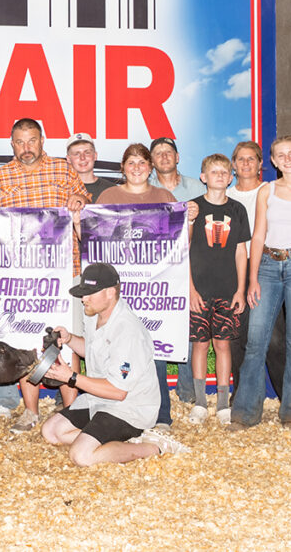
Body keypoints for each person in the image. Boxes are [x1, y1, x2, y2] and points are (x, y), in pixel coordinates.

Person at [0, 118, 89, 432]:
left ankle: (72, 413)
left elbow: (85, 203)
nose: (26, 148)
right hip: (20, 277)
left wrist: (79, 201)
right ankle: (30, 412)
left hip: (64, 271)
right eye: (19, 142)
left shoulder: (63, 170)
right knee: (22, 342)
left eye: (32, 140)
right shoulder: (1, 178)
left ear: (42, 140)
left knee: (64, 342)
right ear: (11, 144)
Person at [41, 263, 188, 465]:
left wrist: (72, 378)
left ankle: (153, 447)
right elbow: (93, 349)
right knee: (50, 431)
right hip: (100, 399)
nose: (84, 299)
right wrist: (69, 339)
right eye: (84, 293)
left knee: (81, 456)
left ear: (110, 293)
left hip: (129, 408)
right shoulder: (96, 315)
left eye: (90, 293)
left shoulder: (127, 330)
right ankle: (114, 440)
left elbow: (118, 391)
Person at [231, 136, 291, 429]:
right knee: (256, 341)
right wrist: (252, 279)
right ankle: (245, 415)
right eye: (280, 155)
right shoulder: (267, 191)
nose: (287, 159)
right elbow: (258, 236)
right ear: (272, 161)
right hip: (268, 267)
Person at [97, 143, 198, 431]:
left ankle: (162, 416)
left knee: (155, 354)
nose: (137, 167)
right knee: (115, 351)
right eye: (131, 162)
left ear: (150, 167)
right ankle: (114, 411)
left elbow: (181, 242)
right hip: (118, 289)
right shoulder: (108, 196)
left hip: (154, 289)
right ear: (123, 167)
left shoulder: (163, 196)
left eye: (142, 162)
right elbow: (94, 238)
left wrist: (189, 220)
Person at [187, 154, 250, 425]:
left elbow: (240, 251)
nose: (220, 176)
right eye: (213, 172)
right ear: (203, 177)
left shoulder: (237, 210)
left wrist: (240, 289)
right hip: (199, 289)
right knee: (199, 346)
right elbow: (183, 250)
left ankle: (223, 403)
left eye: (225, 172)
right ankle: (201, 402)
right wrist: (190, 289)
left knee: (223, 345)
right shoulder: (192, 209)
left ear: (231, 176)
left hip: (227, 290)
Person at [226, 141, 284, 398]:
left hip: (268, 267)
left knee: (275, 340)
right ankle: (242, 398)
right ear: (233, 164)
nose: (246, 163)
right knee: (238, 336)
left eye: (252, 159)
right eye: (241, 159)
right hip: (234, 267)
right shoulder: (225, 196)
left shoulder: (273, 191)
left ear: (262, 163)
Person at [149, 136, 204, 404]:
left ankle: (187, 392)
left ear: (177, 157)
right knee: (157, 328)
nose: (164, 156)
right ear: (152, 161)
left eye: (168, 152)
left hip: (193, 265)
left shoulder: (196, 187)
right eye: (158, 153)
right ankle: (158, 396)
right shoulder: (144, 188)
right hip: (157, 271)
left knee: (190, 331)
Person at [65, 133, 115, 203]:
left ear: (95, 156)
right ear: (68, 159)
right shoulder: (60, 190)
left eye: (87, 153)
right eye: (77, 154)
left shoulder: (111, 190)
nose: (82, 158)